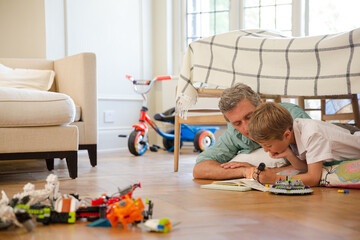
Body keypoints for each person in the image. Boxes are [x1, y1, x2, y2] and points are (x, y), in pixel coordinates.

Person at [193, 83, 311, 180]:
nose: (246, 128)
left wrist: (270, 172)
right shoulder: (234, 134)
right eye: (237, 123)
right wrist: (246, 171)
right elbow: (200, 168)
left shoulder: (293, 117)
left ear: (261, 105)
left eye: (249, 117)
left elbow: (317, 163)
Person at [248, 102, 360, 186]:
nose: (266, 150)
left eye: (268, 145)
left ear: (286, 135)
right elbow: (305, 167)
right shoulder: (292, 134)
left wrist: (275, 179)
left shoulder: (312, 134)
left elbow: (313, 178)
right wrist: (288, 154)